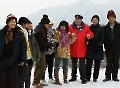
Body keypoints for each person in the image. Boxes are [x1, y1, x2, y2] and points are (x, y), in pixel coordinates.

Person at [0, 14, 27, 88]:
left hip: (14, 59)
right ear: (7, 23)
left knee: (14, 79)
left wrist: (23, 59)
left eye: (14, 21)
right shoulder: (2, 33)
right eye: (11, 22)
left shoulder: (19, 34)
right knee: (3, 79)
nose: (13, 23)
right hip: (3, 59)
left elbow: (23, 48)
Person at [32, 15, 57, 88]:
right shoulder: (41, 30)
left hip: (39, 50)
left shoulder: (39, 28)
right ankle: (36, 82)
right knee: (42, 66)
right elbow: (41, 43)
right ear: (45, 24)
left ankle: (36, 81)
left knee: (38, 66)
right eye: (48, 24)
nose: (48, 26)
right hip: (40, 50)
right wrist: (51, 44)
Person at [69, 14, 94, 84]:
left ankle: (83, 78)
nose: (77, 20)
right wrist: (71, 35)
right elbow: (67, 34)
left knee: (82, 64)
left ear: (81, 20)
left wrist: (89, 35)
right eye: (76, 19)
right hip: (73, 48)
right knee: (73, 64)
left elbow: (90, 33)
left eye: (78, 19)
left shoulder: (86, 26)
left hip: (82, 48)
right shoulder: (70, 26)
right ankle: (73, 76)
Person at [86, 15, 104, 82]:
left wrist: (99, 45)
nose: (94, 21)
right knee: (88, 64)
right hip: (90, 47)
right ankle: (88, 77)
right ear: (91, 20)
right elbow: (86, 36)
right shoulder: (89, 28)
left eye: (96, 20)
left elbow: (103, 37)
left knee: (97, 64)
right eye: (93, 20)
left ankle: (95, 77)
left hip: (98, 48)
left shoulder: (101, 28)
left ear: (98, 20)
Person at [103, 10, 120, 82]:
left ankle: (115, 76)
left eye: (113, 18)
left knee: (116, 62)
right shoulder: (105, 27)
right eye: (110, 18)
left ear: (115, 18)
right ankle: (107, 76)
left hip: (117, 47)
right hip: (109, 47)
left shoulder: (119, 26)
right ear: (108, 19)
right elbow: (104, 37)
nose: (111, 19)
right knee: (109, 63)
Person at [18, 17, 33, 88]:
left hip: (28, 55)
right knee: (24, 74)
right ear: (23, 24)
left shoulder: (26, 31)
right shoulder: (20, 32)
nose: (29, 25)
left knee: (27, 73)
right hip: (24, 56)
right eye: (28, 24)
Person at [41, 18, 55, 85]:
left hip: (51, 50)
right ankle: (42, 78)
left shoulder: (52, 30)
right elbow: (48, 40)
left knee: (50, 65)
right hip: (46, 50)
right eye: (50, 24)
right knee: (44, 65)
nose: (50, 25)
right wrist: (53, 41)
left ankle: (50, 77)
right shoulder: (44, 31)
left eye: (52, 24)